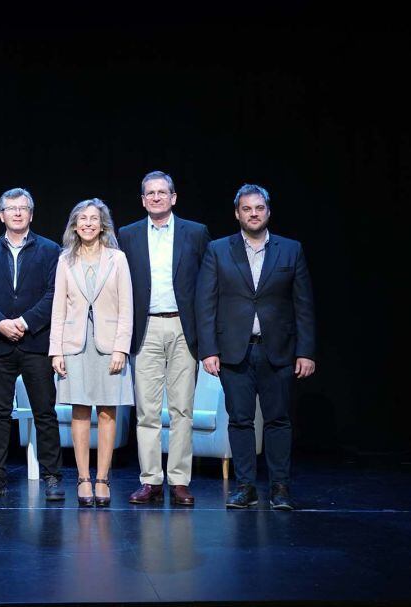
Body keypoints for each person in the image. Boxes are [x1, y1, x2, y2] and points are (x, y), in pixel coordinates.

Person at [196, 184, 315, 511]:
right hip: (234, 350)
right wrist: (208, 350)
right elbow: (205, 303)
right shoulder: (218, 250)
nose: (253, 213)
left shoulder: (290, 250)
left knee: (278, 420)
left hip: (277, 350)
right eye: (246, 209)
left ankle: (279, 488)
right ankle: (245, 486)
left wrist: (306, 351)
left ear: (268, 212)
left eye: (258, 208)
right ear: (237, 213)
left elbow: (302, 304)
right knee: (240, 420)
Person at [118, 170, 211, 507]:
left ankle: (179, 481)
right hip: (146, 330)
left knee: (182, 409)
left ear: (173, 197)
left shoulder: (195, 233)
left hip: (183, 328)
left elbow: (206, 286)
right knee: (147, 411)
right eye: (150, 193)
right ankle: (150, 481)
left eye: (162, 192)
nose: (156, 197)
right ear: (143, 200)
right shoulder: (127, 235)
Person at [0, 187, 65, 501]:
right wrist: (0, 323)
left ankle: (52, 476)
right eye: (11, 208)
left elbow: (54, 295)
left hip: (35, 342)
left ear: (31, 214)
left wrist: (24, 323)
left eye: (23, 208)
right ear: (1, 215)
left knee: (44, 412)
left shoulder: (50, 250)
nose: (17, 213)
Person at [49, 199, 134, 507]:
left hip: (109, 345)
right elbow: (58, 309)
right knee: (80, 410)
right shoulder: (65, 260)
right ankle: (84, 479)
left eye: (93, 218)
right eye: (81, 218)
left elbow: (127, 308)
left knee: (109, 411)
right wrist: (55, 350)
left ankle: (103, 479)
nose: (87, 223)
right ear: (74, 224)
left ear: (102, 225)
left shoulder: (117, 259)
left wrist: (121, 348)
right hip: (74, 345)